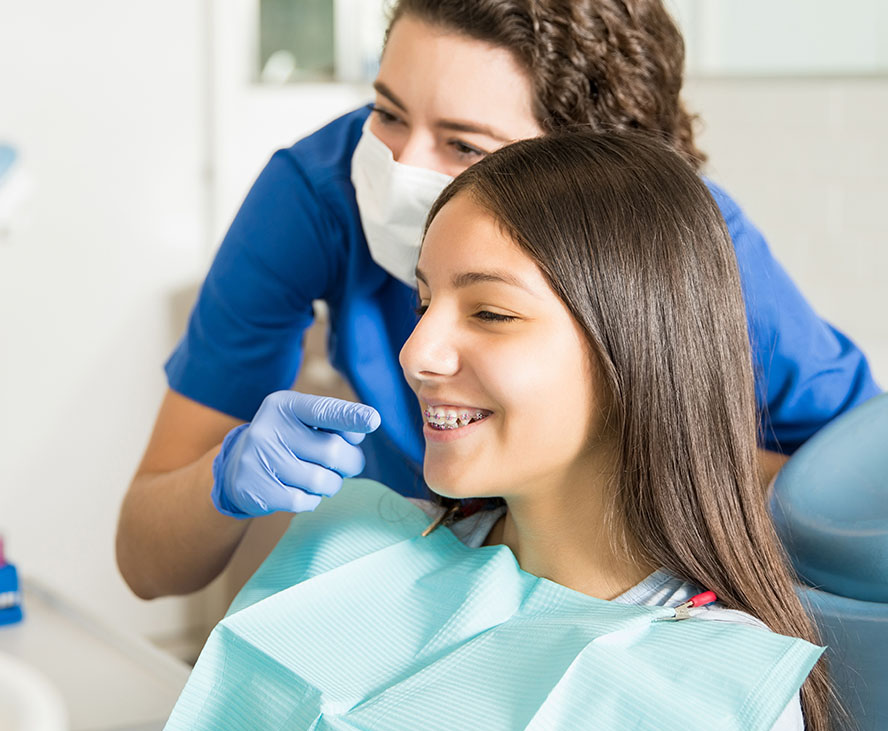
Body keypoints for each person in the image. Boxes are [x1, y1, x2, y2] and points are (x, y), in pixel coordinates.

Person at [44, 130, 840, 731]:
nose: (417, 350)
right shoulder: (354, 549)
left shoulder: (716, 691)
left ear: (636, 349)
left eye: (489, 312)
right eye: (423, 301)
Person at [115, 0, 879, 601]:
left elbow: (858, 492)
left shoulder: (686, 251)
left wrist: (662, 456)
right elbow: (148, 561)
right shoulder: (321, 193)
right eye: (386, 112)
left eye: (465, 146)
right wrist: (225, 479)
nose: (399, 167)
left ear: (592, 178)